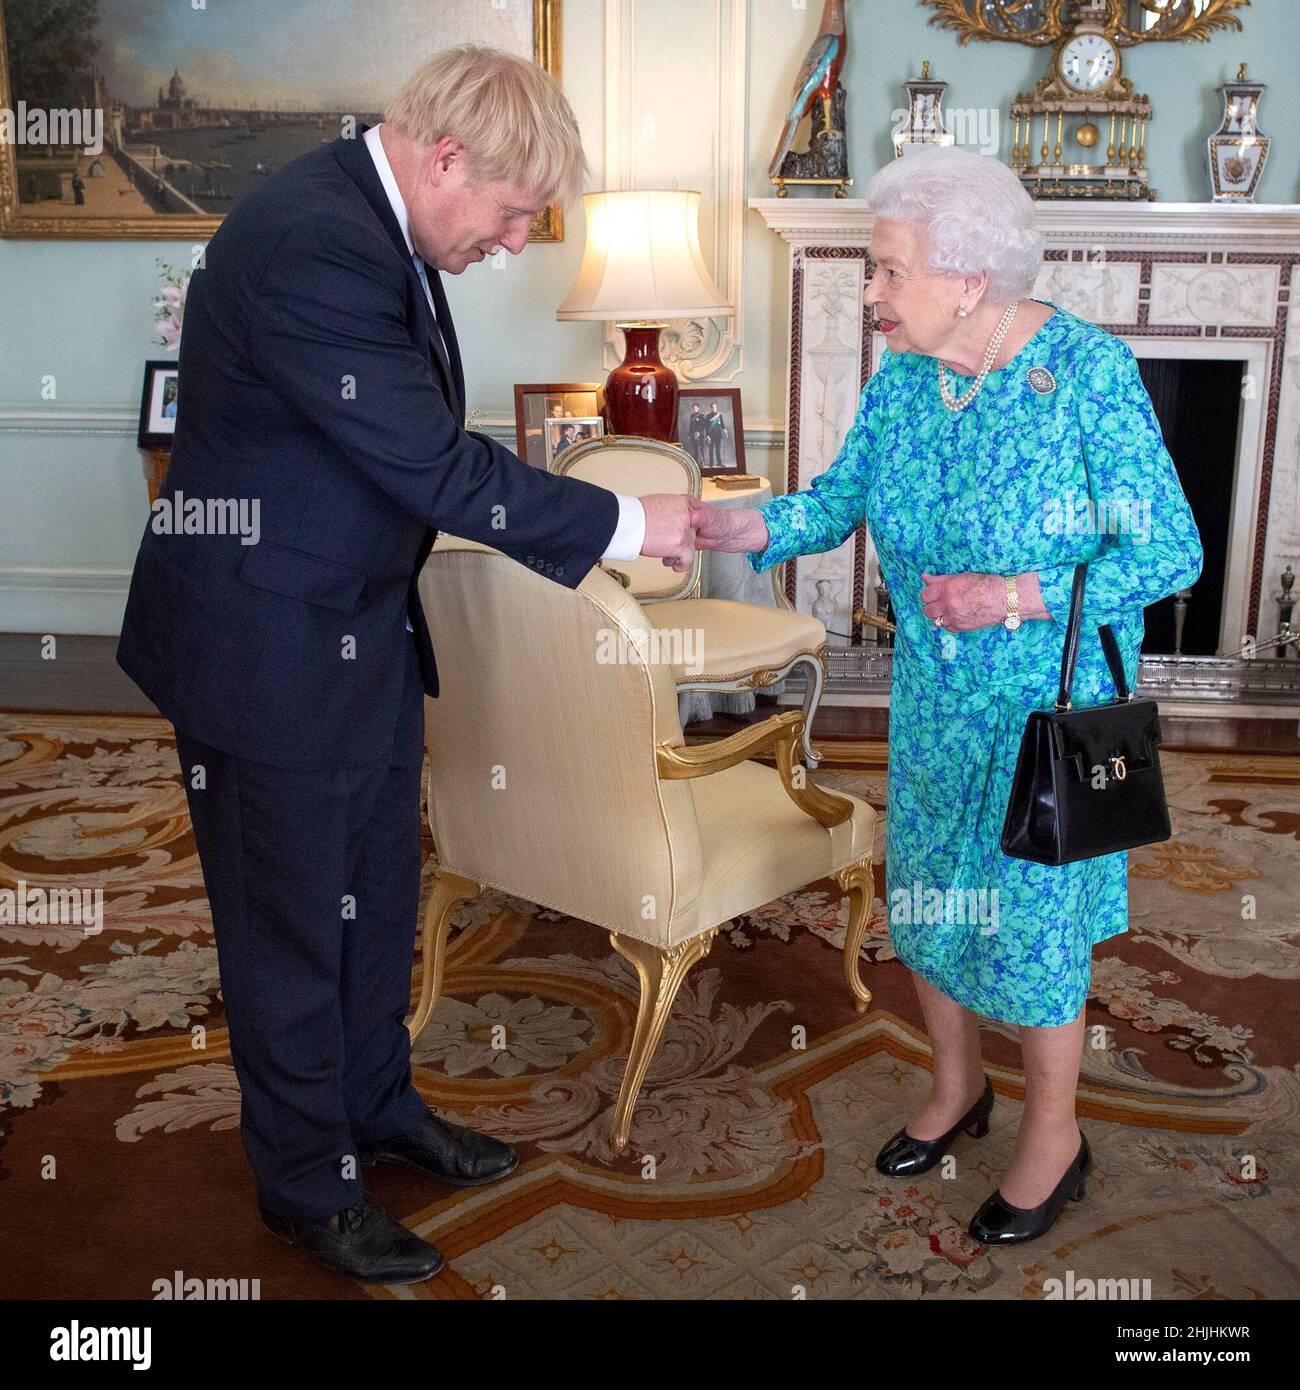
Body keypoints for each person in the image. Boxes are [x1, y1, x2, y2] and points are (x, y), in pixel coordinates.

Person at [116, 44, 697, 1286]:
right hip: (262, 650)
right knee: (287, 929)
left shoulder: (377, 218)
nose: (507, 241)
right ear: (445, 160)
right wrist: (629, 522)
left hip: (353, 629)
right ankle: (305, 1188)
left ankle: (377, 1110)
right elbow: (432, 465)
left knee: (373, 893)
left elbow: (406, 444)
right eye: (506, 214)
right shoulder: (313, 241)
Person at [688, 145, 1202, 1247]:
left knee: (1033, 926)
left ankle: (1053, 1134)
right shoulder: (904, 385)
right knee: (927, 904)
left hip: (1044, 713)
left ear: (968, 278)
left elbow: (1169, 551)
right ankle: (956, 1088)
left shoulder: (1086, 376)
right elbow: (835, 502)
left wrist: (1012, 594)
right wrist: (745, 525)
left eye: (886, 272)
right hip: (933, 707)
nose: (869, 293)